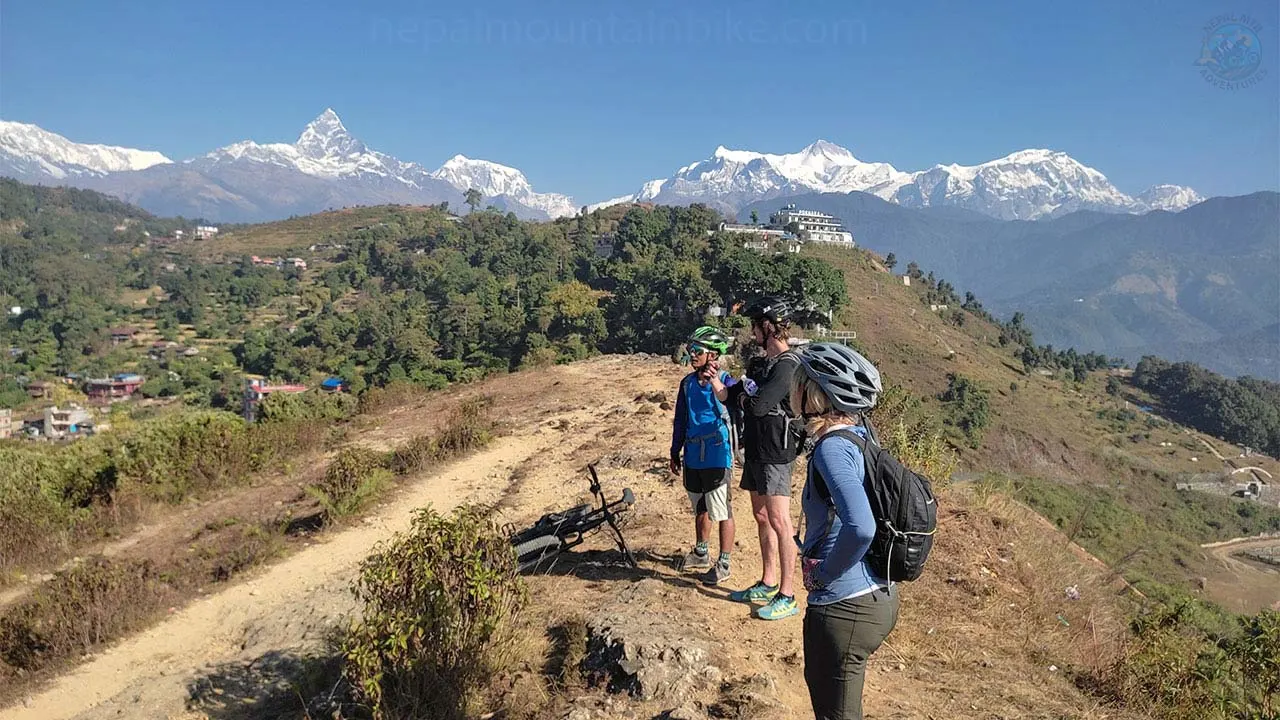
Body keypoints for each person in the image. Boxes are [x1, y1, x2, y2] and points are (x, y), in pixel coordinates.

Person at [792, 342, 897, 720]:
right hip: (872, 592)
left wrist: (822, 574)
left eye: (798, 381)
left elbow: (862, 527)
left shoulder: (831, 450)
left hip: (844, 606)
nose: (792, 388)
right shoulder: (860, 435)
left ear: (815, 392)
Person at [724, 297, 805, 620]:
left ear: (767, 327)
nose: (752, 330)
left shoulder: (788, 366)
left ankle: (787, 593)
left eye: (755, 324)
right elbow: (736, 394)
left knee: (780, 520)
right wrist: (719, 379)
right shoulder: (764, 364)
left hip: (776, 450)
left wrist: (743, 396)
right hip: (757, 448)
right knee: (761, 516)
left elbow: (757, 405)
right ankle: (768, 580)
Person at [669, 325, 738, 585]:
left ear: (713, 354)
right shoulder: (686, 384)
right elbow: (680, 419)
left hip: (717, 453)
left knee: (722, 509)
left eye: (697, 350)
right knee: (699, 505)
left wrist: (716, 381)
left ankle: (725, 562)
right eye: (691, 350)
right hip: (693, 452)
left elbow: (735, 399)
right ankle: (701, 551)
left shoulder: (724, 379)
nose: (692, 354)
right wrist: (675, 451)